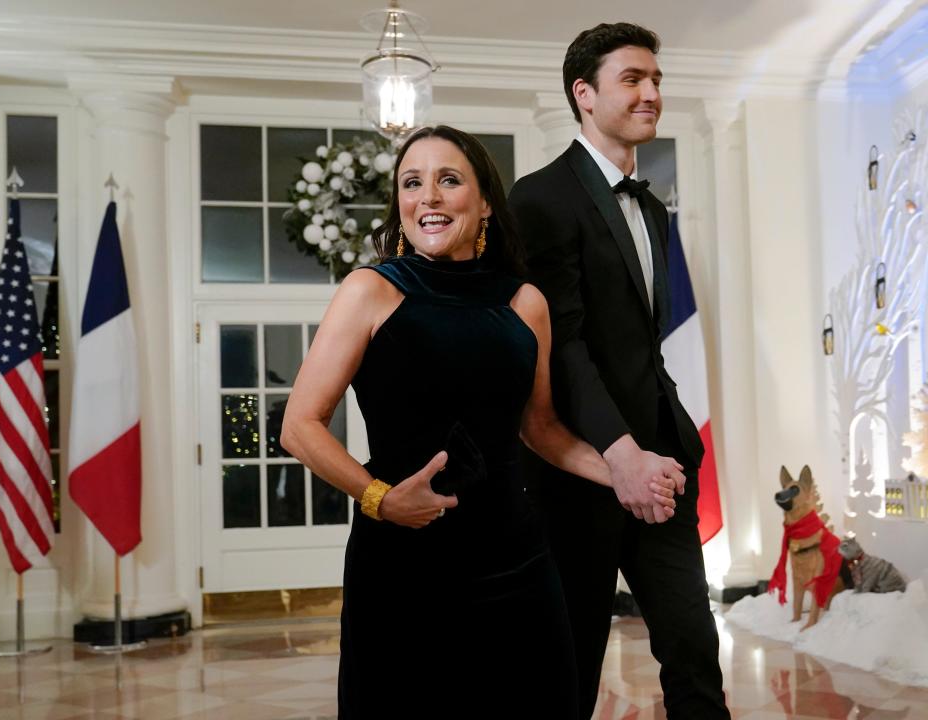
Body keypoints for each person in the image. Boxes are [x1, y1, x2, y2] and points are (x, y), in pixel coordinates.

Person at [280, 125, 679, 719]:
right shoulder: (370, 291)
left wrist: (623, 473)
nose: (428, 197)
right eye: (412, 183)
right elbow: (300, 426)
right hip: (402, 568)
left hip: (515, 560)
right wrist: (380, 498)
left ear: (486, 200)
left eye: (449, 180)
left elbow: (539, 429)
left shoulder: (525, 304)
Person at [508, 23, 731, 720]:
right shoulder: (539, 198)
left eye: (656, 80)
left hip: (661, 467)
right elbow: (563, 345)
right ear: (584, 94)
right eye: (632, 79)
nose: (651, 93)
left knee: (694, 653)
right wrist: (620, 454)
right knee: (568, 665)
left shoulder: (655, 207)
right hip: (580, 472)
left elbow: (643, 345)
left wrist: (662, 448)